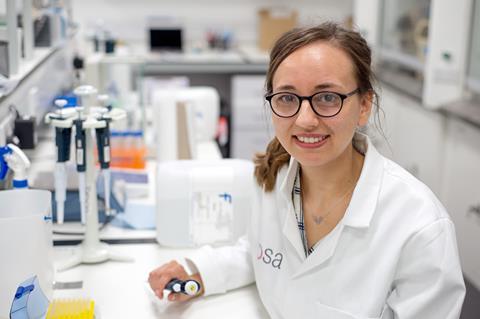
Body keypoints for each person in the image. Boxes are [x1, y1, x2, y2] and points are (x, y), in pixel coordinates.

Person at [148, 22, 465, 318]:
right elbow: (263, 254)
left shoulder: (419, 225)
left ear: (364, 105)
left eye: (327, 98)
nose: (304, 120)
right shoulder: (274, 178)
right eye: (287, 98)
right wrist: (199, 272)